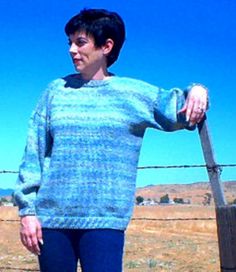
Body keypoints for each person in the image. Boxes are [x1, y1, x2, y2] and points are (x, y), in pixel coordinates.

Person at [14, 8, 208, 272]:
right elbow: (33, 153)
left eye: (80, 42)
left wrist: (198, 90)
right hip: (52, 221)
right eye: (69, 42)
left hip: (105, 221)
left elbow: (183, 112)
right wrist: (27, 212)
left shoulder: (132, 94)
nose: (71, 50)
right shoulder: (55, 92)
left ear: (107, 46)